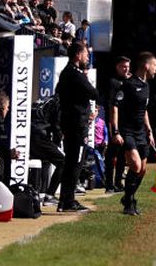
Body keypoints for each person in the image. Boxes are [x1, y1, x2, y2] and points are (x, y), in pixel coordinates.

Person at [112, 51, 156, 216]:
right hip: (127, 131)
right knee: (136, 166)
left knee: (142, 170)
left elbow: (144, 110)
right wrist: (116, 131)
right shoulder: (128, 85)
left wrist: (149, 130)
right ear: (146, 66)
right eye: (155, 65)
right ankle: (129, 202)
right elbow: (115, 107)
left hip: (140, 132)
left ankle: (127, 198)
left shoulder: (146, 86)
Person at [56, 41, 98, 213]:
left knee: (71, 162)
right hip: (76, 125)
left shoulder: (66, 73)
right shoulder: (76, 74)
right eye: (86, 54)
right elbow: (93, 93)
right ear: (78, 55)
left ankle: (64, 200)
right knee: (76, 163)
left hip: (69, 123)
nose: (87, 57)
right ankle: (68, 201)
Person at [105, 56, 132, 193]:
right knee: (112, 154)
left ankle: (118, 183)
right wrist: (113, 128)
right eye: (123, 66)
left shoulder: (129, 82)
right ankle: (109, 184)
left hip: (125, 123)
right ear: (117, 67)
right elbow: (111, 105)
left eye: (127, 66)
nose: (126, 69)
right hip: (115, 123)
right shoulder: (113, 82)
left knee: (122, 154)